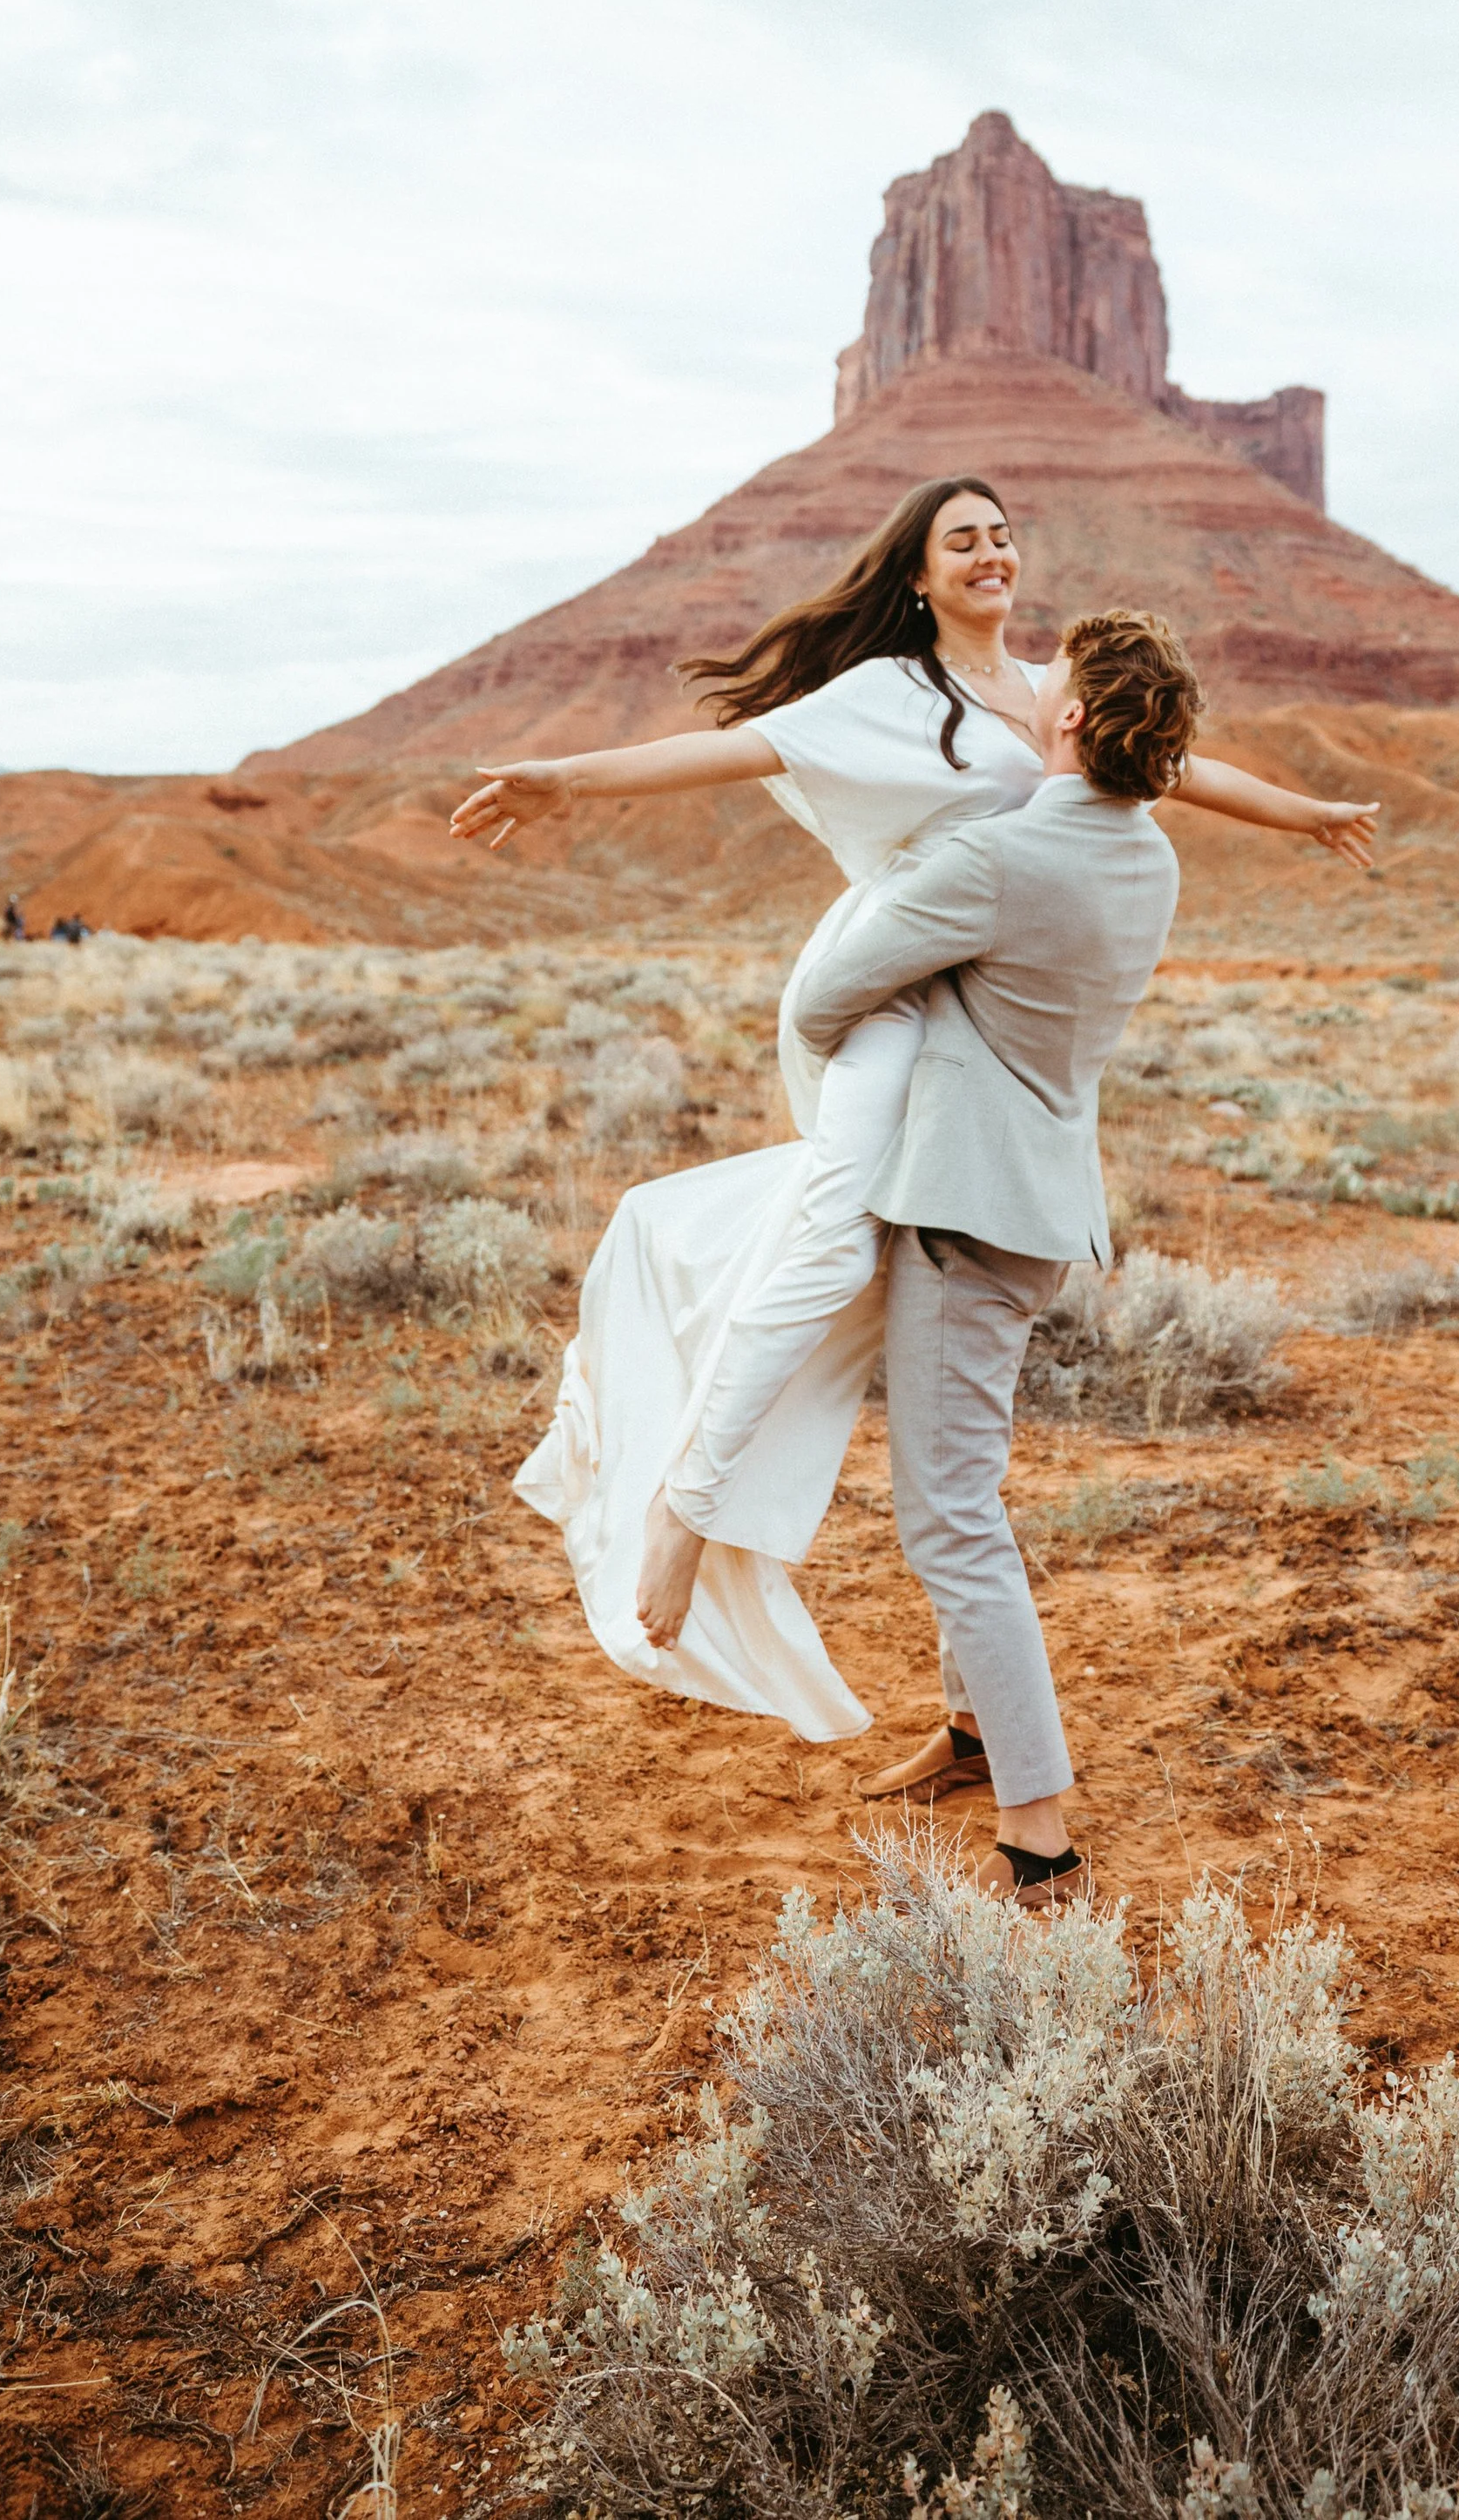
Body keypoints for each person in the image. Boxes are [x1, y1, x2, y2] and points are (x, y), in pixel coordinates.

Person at [449, 475, 1377, 1742]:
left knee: (898, 1334)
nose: (992, 551)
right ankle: (683, 1511)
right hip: (882, 987)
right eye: (963, 539)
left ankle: (965, 1715)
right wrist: (565, 776)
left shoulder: (1052, 688)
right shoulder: (886, 694)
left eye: (1002, 532)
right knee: (832, 1237)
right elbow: (734, 749)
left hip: (974, 1004)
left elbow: (1172, 763)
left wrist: (1304, 814)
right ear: (920, 577)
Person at [789, 609, 1194, 1909]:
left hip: (969, 1220)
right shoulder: (1153, 853)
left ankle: (1041, 1827)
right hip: (1040, 1208)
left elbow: (822, 993)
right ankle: (974, 1735)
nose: (1034, 684)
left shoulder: (1006, 857)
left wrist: (909, 1008)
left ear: (1072, 718)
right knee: (971, 1486)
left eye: (1053, 676)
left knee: (949, 1516)